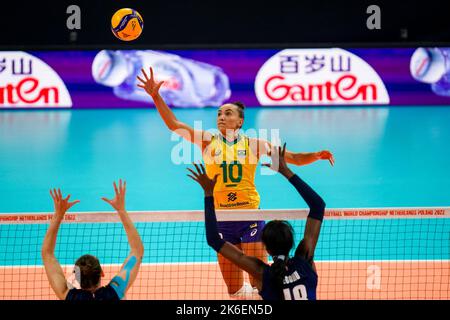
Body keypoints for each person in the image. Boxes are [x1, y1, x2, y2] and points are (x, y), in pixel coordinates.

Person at [137, 67, 333, 297]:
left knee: (260, 281)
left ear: (240, 121)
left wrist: (316, 155)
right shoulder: (207, 141)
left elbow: (294, 159)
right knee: (235, 290)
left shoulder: (254, 144)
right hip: (221, 219)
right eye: (219, 113)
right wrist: (155, 96)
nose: (221, 116)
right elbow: (173, 124)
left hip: (249, 216)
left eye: (228, 113)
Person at [187, 143, 325, 300]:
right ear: (292, 242)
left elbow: (214, 240)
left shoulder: (262, 273)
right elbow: (318, 205)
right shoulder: (304, 262)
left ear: (266, 248)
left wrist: (208, 193)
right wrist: (286, 171)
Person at [41, 180, 144, 300]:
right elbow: (137, 250)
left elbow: (47, 254)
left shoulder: (69, 296)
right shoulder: (115, 292)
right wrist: (121, 210)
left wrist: (58, 214)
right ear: (102, 273)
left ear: (76, 277)